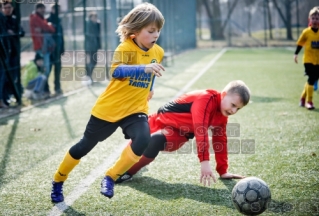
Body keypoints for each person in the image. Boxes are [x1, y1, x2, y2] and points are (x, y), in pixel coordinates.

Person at [50, 2, 165, 203]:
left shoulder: (158, 52)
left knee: (143, 138)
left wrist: (151, 87)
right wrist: (143, 69)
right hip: (109, 110)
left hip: (135, 109)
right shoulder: (125, 48)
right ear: (136, 31)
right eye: (151, 30)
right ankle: (58, 181)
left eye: (158, 31)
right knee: (84, 147)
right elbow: (116, 71)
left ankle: (111, 177)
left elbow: (152, 69)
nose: (156, 35)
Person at [115, 80, 250, 186]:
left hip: (178, 134)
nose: (233, 111)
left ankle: (129, 173)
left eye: (238, 109)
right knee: (132, 151)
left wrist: (223, 170)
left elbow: (220, 141)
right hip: (158, 120)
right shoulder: (206, 99)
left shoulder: (222, 117)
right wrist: (205, 162)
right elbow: (201, 128)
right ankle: (135, 161)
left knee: (153, 141)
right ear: (224, 95)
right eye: (233, 105)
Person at [294, 7, 319, 110]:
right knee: (311, 79)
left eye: (317, 18)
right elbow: (300, 44)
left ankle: (302, 98)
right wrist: (296, 54)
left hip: (318, 61)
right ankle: (309, 102)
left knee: (311, 81)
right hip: (308, 60)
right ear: (309, 19)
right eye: (313, 18)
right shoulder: (306, 32)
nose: (315, 20)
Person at [2, 1, 25, 106]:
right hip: (5, 52)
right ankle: (5, 97)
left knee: (14, 75)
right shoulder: (2, 20)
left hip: (14, 52)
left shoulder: (15, 19)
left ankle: (12, 95)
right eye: (5, 8)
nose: (8, 9)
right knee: (5, 76)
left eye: (9, 7)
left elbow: (22, 32)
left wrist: (15, 33)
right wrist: (8, 33)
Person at [29, 3, 55, 98]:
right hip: (40, 47)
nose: (43, 11)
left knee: (45, 70)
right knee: (44, 70)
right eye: (41, 9)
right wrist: (48, 27)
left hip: (44, 47)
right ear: (37, 9)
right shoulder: (35, 18)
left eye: (44, 9)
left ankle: (40, 90)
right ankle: (35, 89)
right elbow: (48, 28)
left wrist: (47, 28)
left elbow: (50, 29)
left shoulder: (41, 18)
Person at [46, 3, 64, 96]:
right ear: (52, 10)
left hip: (59, 50)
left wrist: (62, 49)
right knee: (48, 70)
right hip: (50, 50)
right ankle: (46, 89)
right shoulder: (48, 20)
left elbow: (61, 36)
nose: (59, 11)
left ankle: (57, 87)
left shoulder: (59, 21)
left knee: (58, 69)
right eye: (57, 9)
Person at [84, 12, 101, 82]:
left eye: (95, 17)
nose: (95, 19)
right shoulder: (88, 24)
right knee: (91, 61)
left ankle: (89, 75)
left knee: (94, 61)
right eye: (93, 17)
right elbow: (90, 35)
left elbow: (98, 35)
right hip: (89, 46)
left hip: (95, 46)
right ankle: (88, 76)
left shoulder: (96, 24)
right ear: (90, 18)